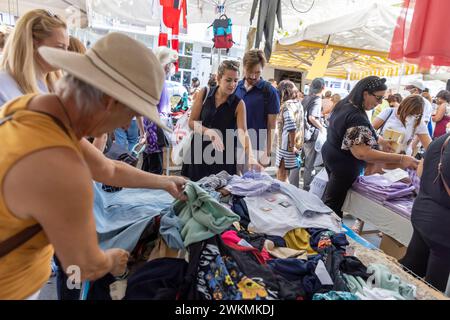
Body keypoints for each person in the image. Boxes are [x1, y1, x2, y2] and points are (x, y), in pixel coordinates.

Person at [0, 32, 186, 300]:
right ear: (110, 102)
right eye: (131, 114)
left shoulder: (33, 107)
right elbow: (83, 266)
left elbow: (108, 169)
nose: (126, 125)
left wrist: (165, 182)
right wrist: (112, 260)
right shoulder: (64, 168)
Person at [321, 76, 419, 218]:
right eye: (378, 98)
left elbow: (356, 134)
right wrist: (402, 158)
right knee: (334, 205)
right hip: (343, 164)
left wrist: (380, 140)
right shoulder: (356, 116)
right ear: (365, 93)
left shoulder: (345, 104)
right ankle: (328, 235)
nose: (379, 103)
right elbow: (362, 153)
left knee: (333, 200)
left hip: (333, 156)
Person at [181, 60, 261, 181]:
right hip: (198, 153)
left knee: (220, 197)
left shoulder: (239, 104)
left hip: (223, 159)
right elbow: (192, 122)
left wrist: (251, 157)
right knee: (192, 194)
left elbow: (243, 133)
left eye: (235, 81)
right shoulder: (205, 93)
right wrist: (208, 131)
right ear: (218, 78)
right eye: (228, 80)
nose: (232, 84)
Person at [400, 133, 450, 292]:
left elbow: (421, 171)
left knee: (411, 269)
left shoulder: (444, 139)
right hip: (443, 226)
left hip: (423, 211)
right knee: (433, 287)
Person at [0, 9, 69, 107]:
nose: (66, 54)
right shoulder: (3, 86)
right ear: (32, 44)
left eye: (67, 47)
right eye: (60, 47)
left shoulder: (57, 84)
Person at [234, 49, 280, 167]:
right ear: (244, 67)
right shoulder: (235, 87)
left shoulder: (269, 91)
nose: (253, 76)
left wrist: (267, 152)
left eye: (258, 72)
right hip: (233, 145)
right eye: (250, 72)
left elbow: (272, 126)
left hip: (257, 148)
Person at [141, 46, 178, 175]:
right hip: (153, 129)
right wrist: (144, 131)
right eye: (170, 64)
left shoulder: (159, 79)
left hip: (153, 128)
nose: (171, 67)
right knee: (153, 168)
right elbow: (146, 106)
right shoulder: (156, 80)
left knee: (149, 165)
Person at [275, 80, 304, 182]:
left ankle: (282, 197)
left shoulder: (286, 105)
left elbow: (291, 126)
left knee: (281, 175)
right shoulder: (299, 104)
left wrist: (292, 146)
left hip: (286, 146)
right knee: (283, 175)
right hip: (295, 144)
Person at [302, 78, 325, 191]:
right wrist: (322, 128)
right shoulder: (317, 99)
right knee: (309, 164)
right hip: (311, 135)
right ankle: (307, 187)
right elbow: (312, 117)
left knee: (306, 162)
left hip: (304, 134)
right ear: (323, 88)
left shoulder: (306, 97)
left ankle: (305, 186)